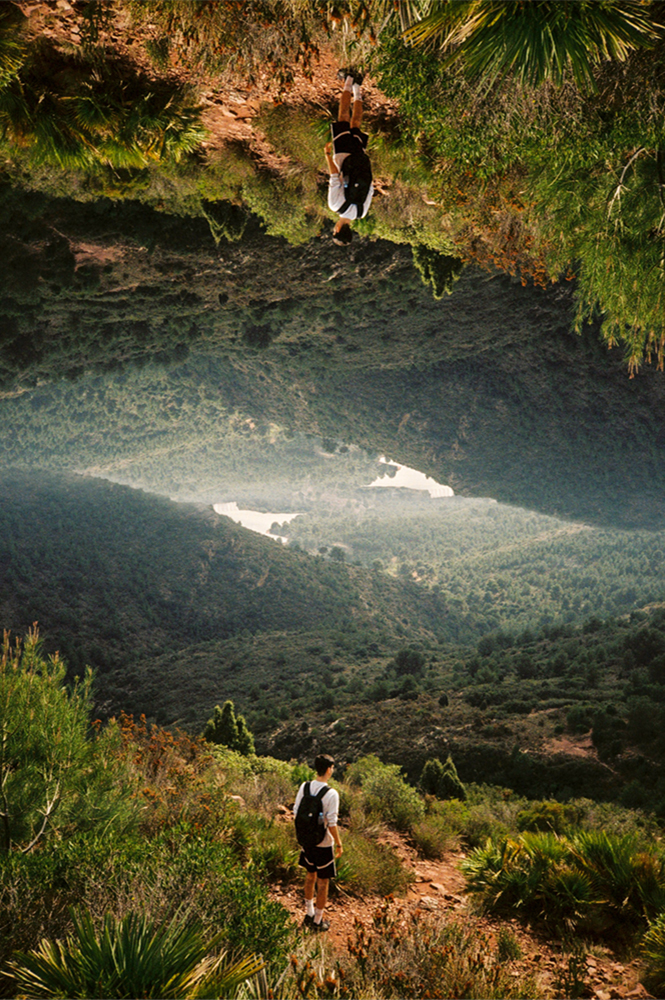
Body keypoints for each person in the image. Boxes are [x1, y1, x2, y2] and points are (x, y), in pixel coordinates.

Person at [293, 753, 343, 932]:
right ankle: (317, 921)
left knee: (309, 876)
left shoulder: (305, 787)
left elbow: (296, 812)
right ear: (329, 769)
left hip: (307, 842)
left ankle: (309, 913)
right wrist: (339, 843)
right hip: (323, 844)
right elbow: (332, 823)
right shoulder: (331, 794)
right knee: (323, 883)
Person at [325, 69, 374, 246]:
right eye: (334, 231)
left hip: (359, 158)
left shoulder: (362, 212)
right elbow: (334, 177)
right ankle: (348, 79)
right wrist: (327, 156)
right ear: (338, 229)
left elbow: (370, 187)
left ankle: (357, 87)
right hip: (342, 156)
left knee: (356, 124)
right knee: (343, 117)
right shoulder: (335, 206)